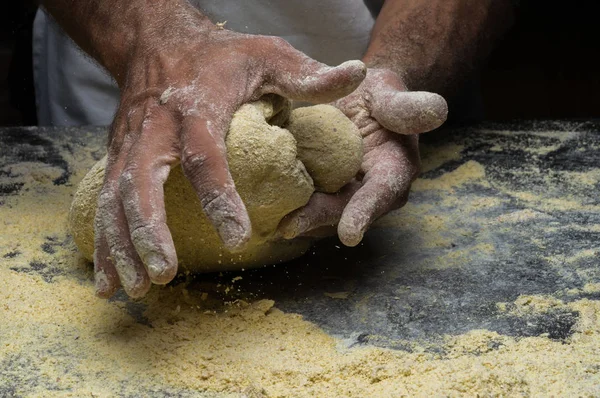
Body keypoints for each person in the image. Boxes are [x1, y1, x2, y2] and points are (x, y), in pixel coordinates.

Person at [36, 0, 515, 298]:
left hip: (377, 45)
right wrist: (157, 41)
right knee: (143, 196)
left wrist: (394, 70)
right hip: (135, 57)